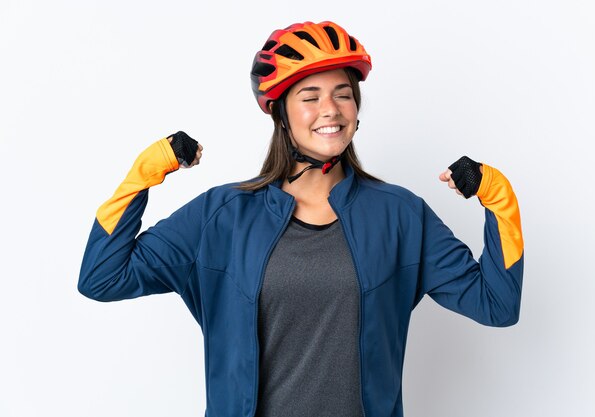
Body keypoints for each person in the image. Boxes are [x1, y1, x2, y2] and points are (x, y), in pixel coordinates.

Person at [78, 20, 524, 417]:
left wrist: (497, 197)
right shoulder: (222, 215)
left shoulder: (400, 214)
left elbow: (497, 305)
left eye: (343, 95)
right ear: (281, 114)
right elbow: (102, 277)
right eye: (310, 97)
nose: (330, 109)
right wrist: (146, 171)